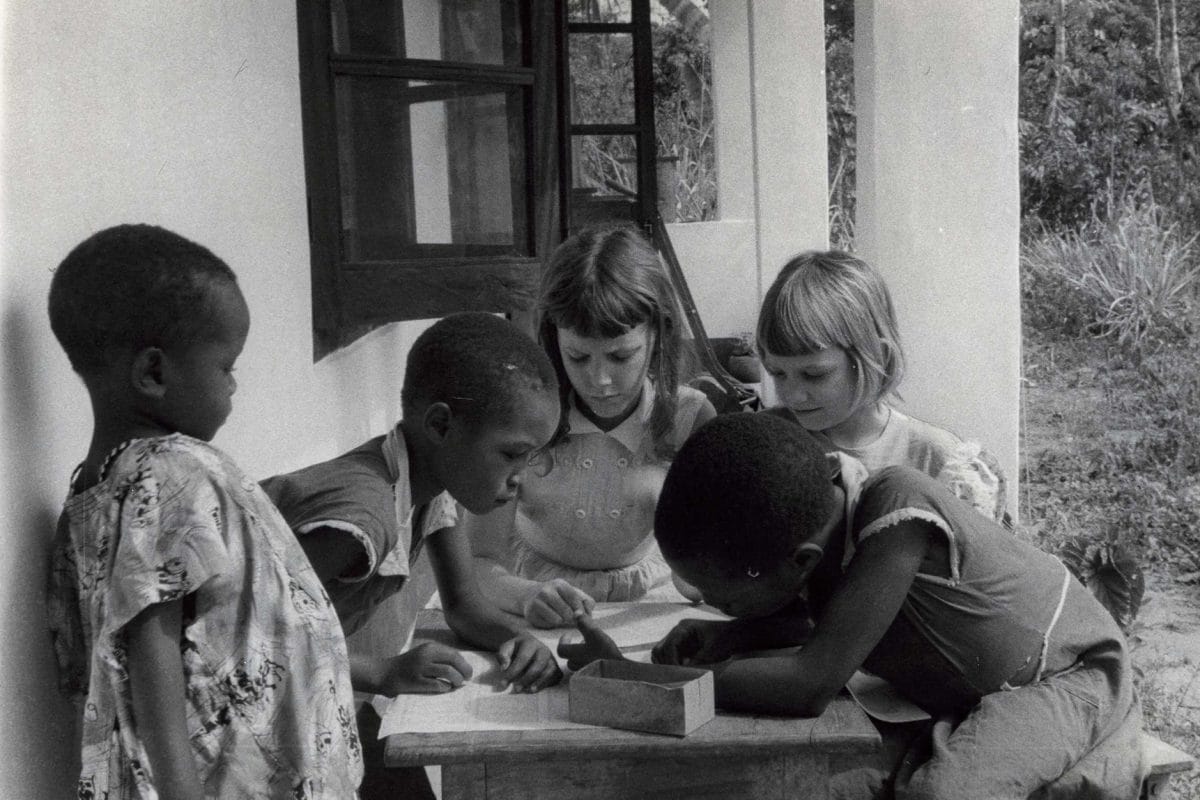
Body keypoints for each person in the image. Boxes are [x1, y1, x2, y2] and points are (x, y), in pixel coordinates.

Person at [561, 413, 1146, 799]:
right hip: (969, 691)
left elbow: (808, 683)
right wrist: (739, 635)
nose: (708, 604)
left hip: (1071, 677)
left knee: (944, 796)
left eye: (721, 595)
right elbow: (831, 619)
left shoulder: (897, 513)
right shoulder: (820, 509)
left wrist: (647, 677)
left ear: (800, 561)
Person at [46, 224, 363, 799]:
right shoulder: (169, 473)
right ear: (154, 374)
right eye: (226, 365)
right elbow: (149, 649)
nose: (234, 385)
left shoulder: (92, 495)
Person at [260, 311, 563, 800]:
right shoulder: (362, 519)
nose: (520, 477)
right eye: (510, 454)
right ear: (441, 425)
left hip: (314, 691)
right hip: (247, 709)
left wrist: (515, 638)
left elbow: (463, 605)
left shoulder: (431, 484)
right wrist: (383, 673)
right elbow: (250, 640)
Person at [464, 224, 717, 628]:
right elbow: (478, 561)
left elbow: (705, 578)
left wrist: (682, 529)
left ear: (659, 333)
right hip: (533, 592)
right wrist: (526, 594)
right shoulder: (515, 420)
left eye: (621, 356)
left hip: (651, 599)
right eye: (578, 357)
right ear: (552, 340)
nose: (600, 380)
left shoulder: (690, 420)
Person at [757, 250, 1008, 523]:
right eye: (777, 373)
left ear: (877, 356)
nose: (793, 395)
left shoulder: (936, 457)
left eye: (814, 374)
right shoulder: (762, 441)